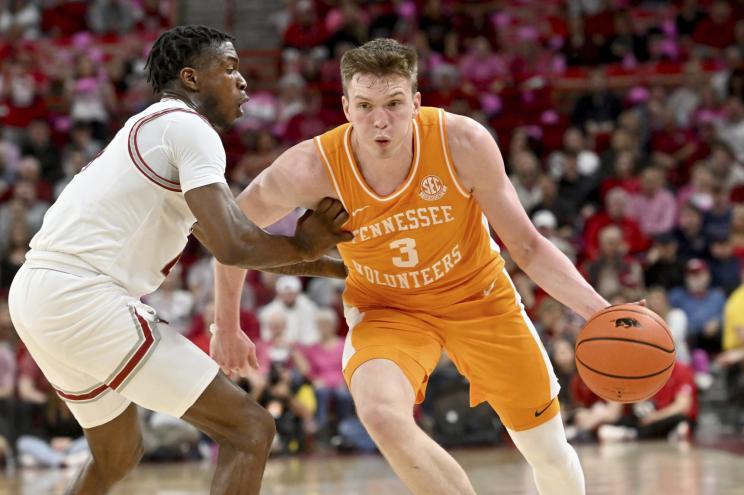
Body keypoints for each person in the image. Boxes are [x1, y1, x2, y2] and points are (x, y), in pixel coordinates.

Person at [212, 39, 611, 495]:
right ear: (345, 107)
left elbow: (528, 246)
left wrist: (598, 311)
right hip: (386, 309)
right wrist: (226, 325)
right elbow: (231, 235)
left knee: (548, 451)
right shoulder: (310, 167)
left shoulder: (462, 142)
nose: (379, 120)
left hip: (478, 297)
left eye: (394, 104)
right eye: (364, 106)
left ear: (417, 102)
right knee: (381, 413)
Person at [8, 25, 351, 495]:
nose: (243, 81)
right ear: (191, 78)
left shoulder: (156, 129)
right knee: (250, 430)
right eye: (229, 68)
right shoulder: (188, 128)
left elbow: (238, 244)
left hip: (39, 295)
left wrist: (342, 269)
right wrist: (309, 247)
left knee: (117, 455)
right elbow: (236, 247)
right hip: (83, 296)